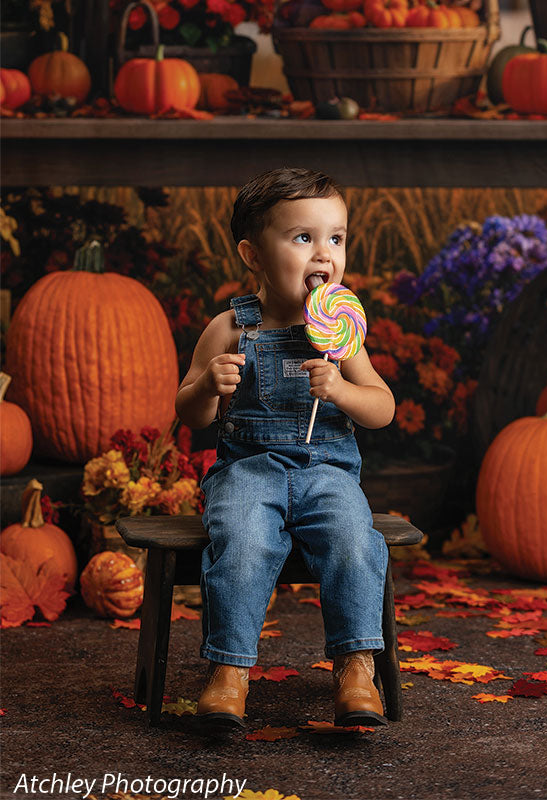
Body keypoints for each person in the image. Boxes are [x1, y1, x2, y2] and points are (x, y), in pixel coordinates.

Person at [175, 167, 396, 731]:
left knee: (354, 539)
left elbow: (382, 407)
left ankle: (355, 667)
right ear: (253, 254)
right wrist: (207, 387)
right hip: (248, 472)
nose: (325, 254)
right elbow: (190, 413)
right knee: (242, 542)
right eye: (304, 238)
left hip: (328, 473)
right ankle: (230, 672)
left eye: (337, 238)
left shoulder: (340, 331)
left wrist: (343, 390)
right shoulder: (230, 328)